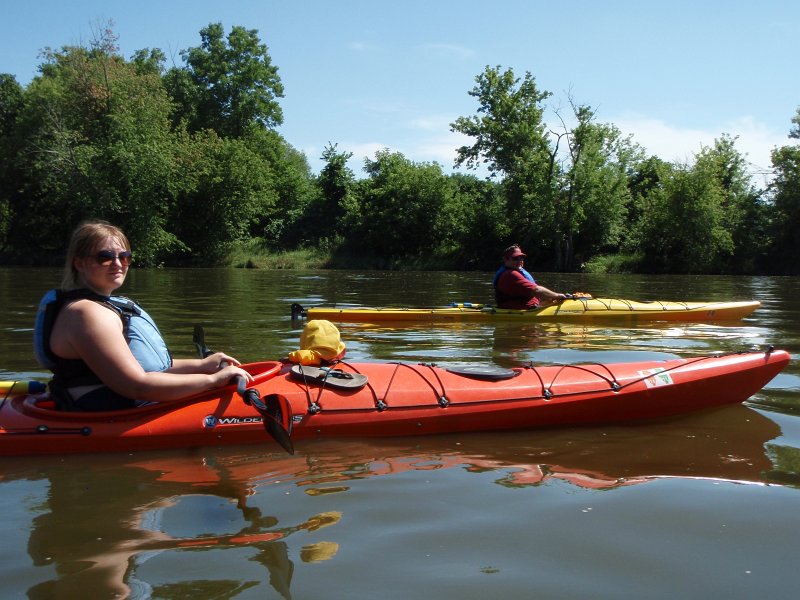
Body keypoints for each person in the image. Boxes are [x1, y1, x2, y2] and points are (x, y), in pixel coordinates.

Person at [34, 220, 253, 411]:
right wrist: (212, 381)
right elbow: (136, 385)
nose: (118, 264)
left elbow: (142, 367)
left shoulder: (97, 307)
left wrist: (202, 365)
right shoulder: (87, 314)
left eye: (124, 256)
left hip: (118, 400)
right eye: (105, 257)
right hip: (107, 409)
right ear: (79, 262)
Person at [492, 244, 567, 309]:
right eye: (515, 258)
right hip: (523, 311)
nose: (520, 261)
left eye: (521, 258)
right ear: (506, 259)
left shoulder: (512, 272)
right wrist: (557, 295)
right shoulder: (510, 274)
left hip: (531, 308)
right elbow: (536, 290)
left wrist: (549, 297)